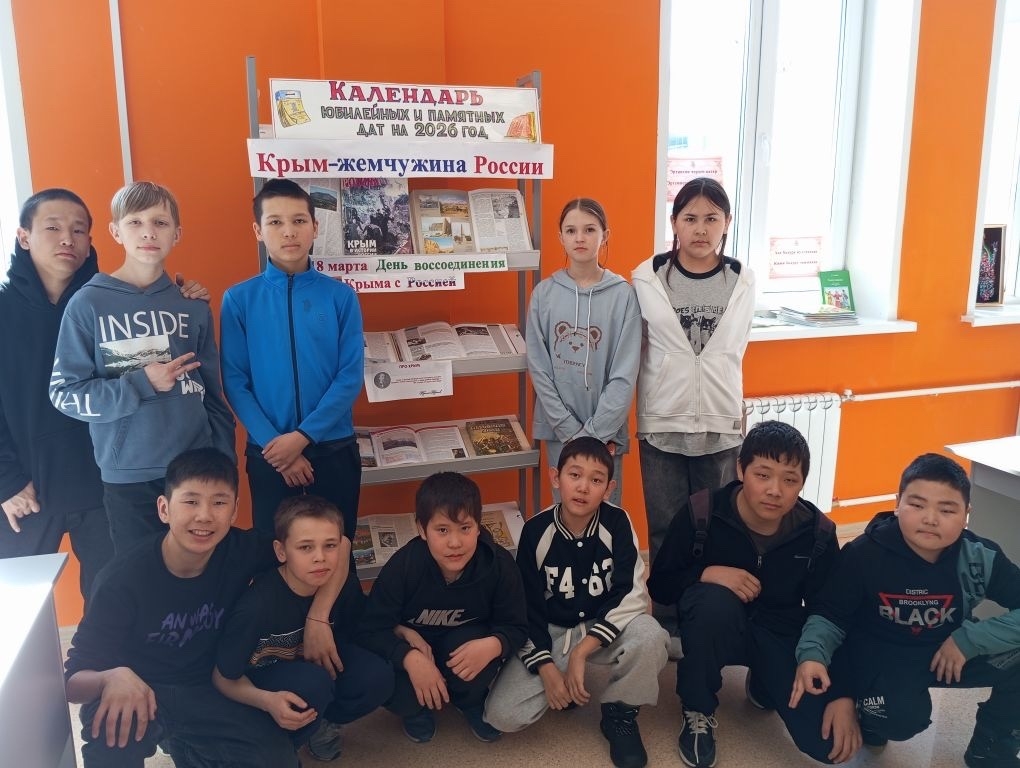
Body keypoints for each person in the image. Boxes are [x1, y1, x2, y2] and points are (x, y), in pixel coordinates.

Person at [64, 447, 352, 767]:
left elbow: (340, 543)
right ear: (164, 508)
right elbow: (73, 683)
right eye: (191, 501)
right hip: (142, 688)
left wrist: (318, 616)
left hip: (207, 688)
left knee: (276, 759)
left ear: (234, 510)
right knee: (111, 729)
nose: (204, 516)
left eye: (219, 502)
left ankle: (191, 750)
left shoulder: (240, 549)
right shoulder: (122, 579)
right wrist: (111, 677)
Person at [0, 188, 207, 599]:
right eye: (53, 228)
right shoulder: (13, 310)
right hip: (26, 485)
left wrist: (177, 297)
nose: (67, 239)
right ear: (24, 236)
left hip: (101, 481)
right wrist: (6, 481)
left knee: (109, 597)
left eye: (79, 230)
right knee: (16, 602)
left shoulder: (104, 302)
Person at [647, 421, 857, 768]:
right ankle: (697, 708)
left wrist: (843, 693)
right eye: (763, 475)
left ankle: (764, 683)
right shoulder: (702, 513)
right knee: (711, 603)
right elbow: (661, 586)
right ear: (740, 470)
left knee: (828, 745)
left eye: (789, 480)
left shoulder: (817, 533)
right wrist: (706, 573)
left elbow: (832, 613)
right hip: (716, 626)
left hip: (777, 631)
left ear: (802, 483)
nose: (775, 490)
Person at [792, 453, 1020, 767]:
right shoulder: (864, 554)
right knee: (899, 718)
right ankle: (871, 717)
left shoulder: (980, 557)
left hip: (947, 653)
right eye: (917, 504)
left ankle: (990, 747)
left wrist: (970, 639)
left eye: (947, 509)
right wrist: (813, 656)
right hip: (882, 658)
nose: (930, 518)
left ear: (966, 514)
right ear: (898, 504)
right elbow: (830, 615)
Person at [48, 181, 235, 554]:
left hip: (196, 472)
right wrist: (140, 384)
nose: (148, 232)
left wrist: (225, 467)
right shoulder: (88, 304)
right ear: (115, 231)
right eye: (135, 222)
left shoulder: (192, 304)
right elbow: (64, 393)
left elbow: (213, 394)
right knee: (143, 579)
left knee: (202, 575)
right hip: (129, 478)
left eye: (160, 222)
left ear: (176, 233)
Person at [484, 436, 668, 768]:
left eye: (596, 480)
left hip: (603, 625)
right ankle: (563, 684)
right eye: (574, 475)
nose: (583, 487)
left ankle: (619, 713)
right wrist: (546, 667)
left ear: (608, 489)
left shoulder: (617, 522)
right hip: (554, 631)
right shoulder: (536, 531)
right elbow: (526, 608)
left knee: (651, 635)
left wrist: (583, 651)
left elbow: (632, 593)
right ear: (556, 478)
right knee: (502, 715)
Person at [631, 177, 755, 635]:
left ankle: (708, 618)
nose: (701, 229)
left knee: (717, 528)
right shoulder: (647, 279)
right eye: (690, 218)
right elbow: (637, 346)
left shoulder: (742, 280)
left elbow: (736, 348)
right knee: (666, 527)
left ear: (726, 223)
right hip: (662, 420)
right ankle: (666, 620)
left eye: (711, 218)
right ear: (674, 223)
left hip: (720, 424)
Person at [220, 178, 364, 537]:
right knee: (275, 551)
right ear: (258, 230)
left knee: (337, 546)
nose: (289, 232)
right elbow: (235, 382)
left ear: (315, 227)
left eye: (299, 220)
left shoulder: (341, 296)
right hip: (269, 452)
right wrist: (277, 447)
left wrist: (302, 437)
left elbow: (349, 377)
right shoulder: (239, 300)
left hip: (332, 447)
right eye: (275, 222)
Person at [214, 494, 393, 762]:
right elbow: (222, 677)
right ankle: (281, 741)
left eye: (330, 545)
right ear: (281, 551)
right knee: (313, 684)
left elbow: (363, 630)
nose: (320, 558)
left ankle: (320, 723)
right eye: (306, 547)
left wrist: (402, 633)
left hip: (312, 674)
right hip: (260, 687)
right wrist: (266, 701)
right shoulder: (256, 606)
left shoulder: (344, 587)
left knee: (377, 677)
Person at [357, 471, 528, 744]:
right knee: (388, 684)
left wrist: (495, 644)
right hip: (416, 647)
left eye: (465, 528)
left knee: (478, 654)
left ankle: (469, 701)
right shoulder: (403, 566)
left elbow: (516, 625)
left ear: (478, 526)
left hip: (462, 643)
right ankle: (415, 711)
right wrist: (408, 657)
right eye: (442, 530)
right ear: (421, 529)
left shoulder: (499, 565)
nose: (455, 543)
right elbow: (369, 629)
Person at [526, 198, 640, 507]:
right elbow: (539, 368)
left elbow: (624, 374)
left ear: (605, 235)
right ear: (560, 237)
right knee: (565, 511)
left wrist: (595, 433)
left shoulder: (624, 296)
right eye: (571, 230)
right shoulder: (543, 295)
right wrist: (568, 429)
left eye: (589, 229)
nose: (580, 238)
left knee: (605, 516)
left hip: (607, 433)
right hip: (558, 430)